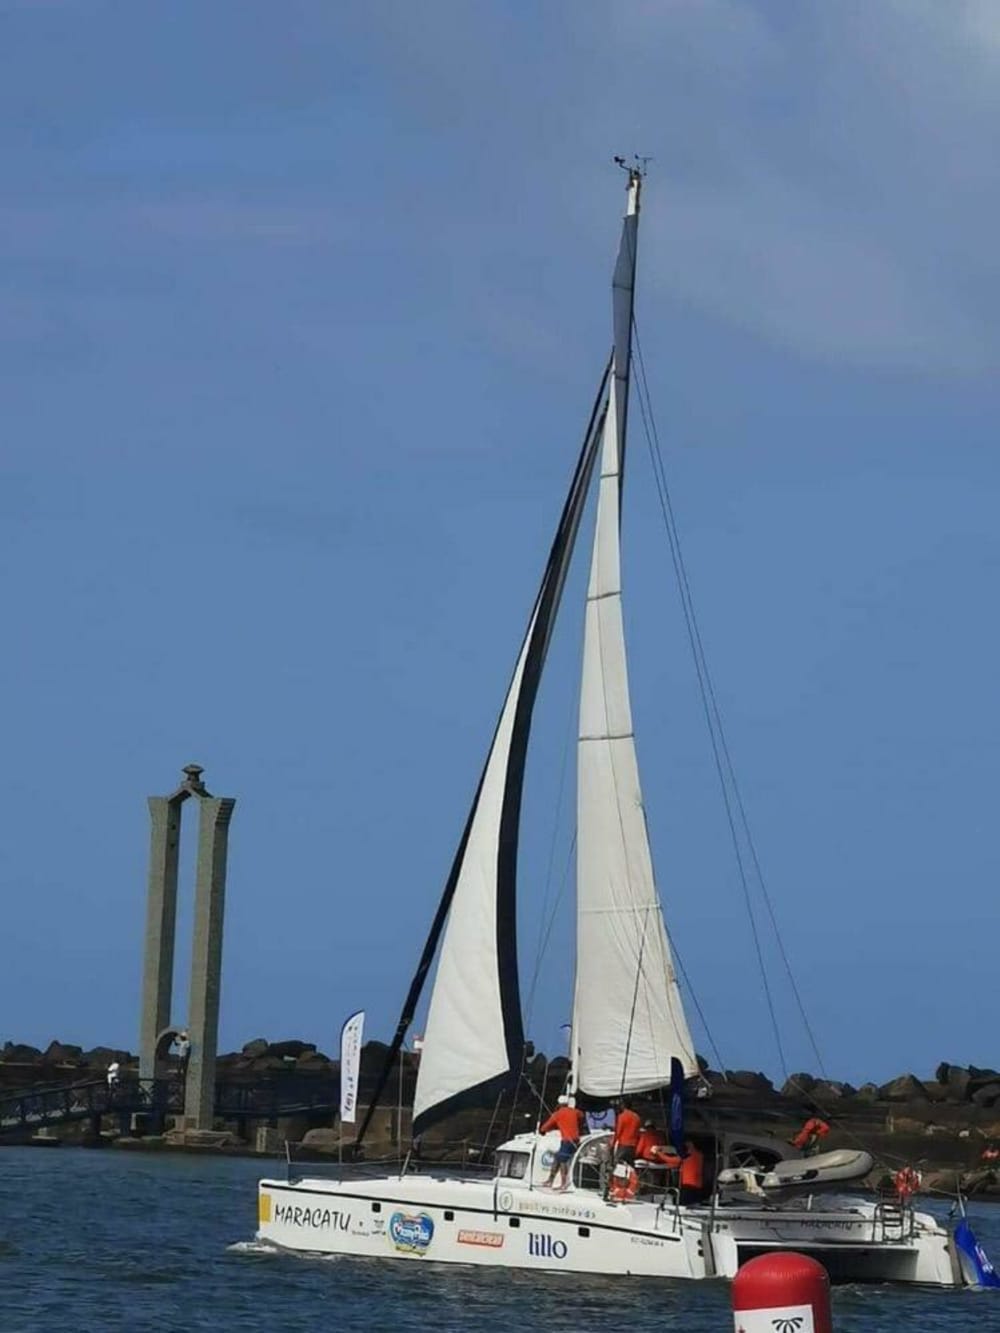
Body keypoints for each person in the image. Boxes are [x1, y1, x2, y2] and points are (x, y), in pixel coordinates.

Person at [539, 1095, 586, 1191]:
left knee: (563, 1160)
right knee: (557, 1157)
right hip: (575, 1140)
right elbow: (582, 1116)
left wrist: (543, 1130)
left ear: (559, 1104)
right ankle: (550, 1180)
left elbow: (545, 1127)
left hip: (567, 1141)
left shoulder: (558, 1114)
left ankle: (564, 1184)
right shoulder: (575, 1112)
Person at [657, 1139, 706, 1205]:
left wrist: (658, 1153)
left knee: (683, 1204)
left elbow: (671, 1160)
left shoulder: (687, 1155)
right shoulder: (700, 1155)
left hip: (688, 1185)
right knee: (694, 1204)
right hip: (698, 1185)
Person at [611, 1098, 641, 1165]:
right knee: (630, 1165)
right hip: (633, 1146)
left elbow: (618, 1132)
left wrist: (612, 1144)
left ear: (623, 1105)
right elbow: (638, 1133)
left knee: (619, 1165)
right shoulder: (637, 1117)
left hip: (623, 1145)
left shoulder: (622, 1116)